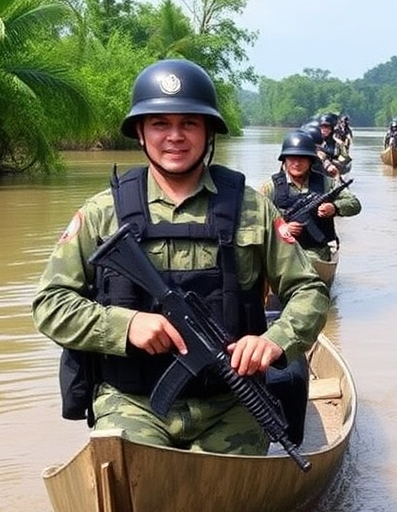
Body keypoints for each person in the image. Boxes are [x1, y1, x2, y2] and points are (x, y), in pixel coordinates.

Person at [31, 59, 330, 455]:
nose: (175, 136)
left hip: (230, 401)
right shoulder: (104, 212)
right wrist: (126, 324)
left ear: (208, 132)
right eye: (160, 123)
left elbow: (309, 291)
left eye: (189, 123)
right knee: (130, 470)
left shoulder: (252, 209)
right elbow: (50, 304)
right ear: (140, 131)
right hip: (131, 402)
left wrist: (274, 341)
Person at [258, 130, 361, 263]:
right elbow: (254, 220)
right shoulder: (270, 187)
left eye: (302, 158)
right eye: (292, 158)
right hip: (280, 250)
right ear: (284, 160)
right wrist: (281, 228)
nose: (296, 163)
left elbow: (354, 204)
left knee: (310, 261)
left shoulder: (326, 183)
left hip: (316, 252)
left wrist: (334, 207)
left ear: (310, 160)